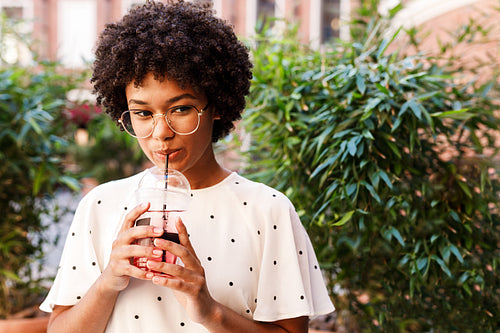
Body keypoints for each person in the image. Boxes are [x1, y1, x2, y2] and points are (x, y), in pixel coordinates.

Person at [40, 1, 334, 332]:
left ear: (217, 105)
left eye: (181, 109)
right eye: (143, 113)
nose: (161, 133)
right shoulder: (100, 205)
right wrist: (109, 280)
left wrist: (208, 310)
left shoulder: (267, 211)